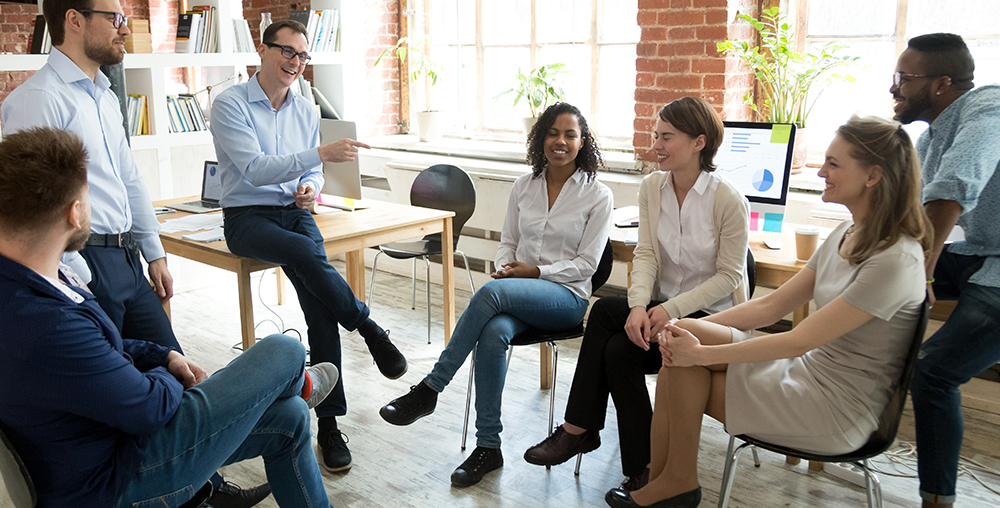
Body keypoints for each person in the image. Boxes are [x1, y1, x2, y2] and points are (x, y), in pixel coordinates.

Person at [1, 1, 269, 503]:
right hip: (80, 265)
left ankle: (202, 487)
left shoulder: (103, 93)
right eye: (115, 16)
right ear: (74, 20)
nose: (126, 26)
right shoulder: (38, 99)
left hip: (123, 256)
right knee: (123, 389)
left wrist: (154, 250)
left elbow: (127, 178)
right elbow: (31, 206)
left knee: (176, 365)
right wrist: (70, 280)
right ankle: (169, 490)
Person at [0, 126, 342, 508]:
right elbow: (148, 409)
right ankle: (298, 382)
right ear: (75, 213)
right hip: (116, 477)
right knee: (284, 351)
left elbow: (94, 351)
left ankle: (295, 391)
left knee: (291, 417)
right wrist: (168, 375)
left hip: (102, 444)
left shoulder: (27, 281)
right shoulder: (46, 321)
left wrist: (163, 356)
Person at [601, 116, 931, 508]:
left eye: (833, 164)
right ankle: (668, 480)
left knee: (686, 362)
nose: (821, 171)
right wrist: (682, 327)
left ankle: (673, 481)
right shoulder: (846, 234)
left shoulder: (895, 260)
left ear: (874, 176)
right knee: (682, 338)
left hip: (836, 408)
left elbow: (798, 340)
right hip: (805, 376)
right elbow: (771, 306)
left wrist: (702, 354)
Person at [377, 102, 614, 487]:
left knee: (490, 295)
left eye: (570, 135)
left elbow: (587, 266)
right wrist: (507, 268)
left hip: (565, 298)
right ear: (541, 139)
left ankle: (430, 389)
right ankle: (489, 447)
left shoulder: (597, 195)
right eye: (553, 133)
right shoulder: (524, 186)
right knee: (492, 332)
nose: (561, 141)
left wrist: (532, 272)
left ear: (582, 142)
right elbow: (508, 243)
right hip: (518, 292)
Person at [523, 97, 750, 491]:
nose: (656, 146)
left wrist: (669, 311)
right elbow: (645, 254)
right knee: (609, 312)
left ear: (699, 143)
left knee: (617, 351)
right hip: (662, 311)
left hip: (710, 320)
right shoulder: (652, 187)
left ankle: (592, 436)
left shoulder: (727, 200)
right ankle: (631, 460)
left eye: (666, 138)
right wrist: (640, 306)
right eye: (655, 136)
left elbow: (729, 277)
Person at [209, 19, 406, 473]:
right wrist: (319, 158)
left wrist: (310, 185)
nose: (295, 63)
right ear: (263, 50)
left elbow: (309, 174)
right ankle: (370, 328)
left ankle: (330, 426)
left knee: (320, 311)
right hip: (247, 218)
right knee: (305, 254)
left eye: (302, 56)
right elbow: (256, 170)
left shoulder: (304, 107)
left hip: (295, 212)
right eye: (287, 52)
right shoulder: (230, 104)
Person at [889, 33, 1000, 508]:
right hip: (981, 250)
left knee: (933, 373)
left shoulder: (989, 109)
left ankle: (938, 501)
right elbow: (908, 214)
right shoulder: (927, 136)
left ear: (940, 84)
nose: (894, 89)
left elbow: (955, 184)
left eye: (902, 79)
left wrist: (925, 270)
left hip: (994, 266)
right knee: (877, 270)